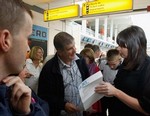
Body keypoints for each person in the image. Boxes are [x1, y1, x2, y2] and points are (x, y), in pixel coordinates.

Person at [0, 0, 48, 115]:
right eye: (27, 38)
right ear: (6, 40)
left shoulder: (9, 93)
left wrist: (25, 111)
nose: (28, 48)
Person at [95, 25, 150, 116]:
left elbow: (146, 109)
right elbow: (119, 86)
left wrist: (115, 92)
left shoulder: (147, 67)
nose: (118, 48)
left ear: (135, 46)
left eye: (122, 46)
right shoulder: (126, 63)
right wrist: (106, 89)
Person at [38, 32, 90, 116]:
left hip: (81, 112)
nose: (74, 50)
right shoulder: (49, 69)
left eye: (74, 46)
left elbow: (87, 81)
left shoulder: (80, 61)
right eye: (69, 49)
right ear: (59, 52)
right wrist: (63, 105)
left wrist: (88, 103)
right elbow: (43, 96)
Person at [99, 49, 122, 116]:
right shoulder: (103, 63)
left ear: (119, 60)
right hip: (103, 94)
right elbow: (100, 76)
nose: (111, 66)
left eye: (114, 64)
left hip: (116, 95)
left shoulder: (124, 67)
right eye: (109, 64)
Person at [80, 48, 102, 116]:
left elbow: (99, 84)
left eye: (85, 57)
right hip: (82, 96)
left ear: (90, 58)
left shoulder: (95, 68)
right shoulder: (79, 67)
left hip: (93, 97)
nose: (83, 59)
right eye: (82, 57)